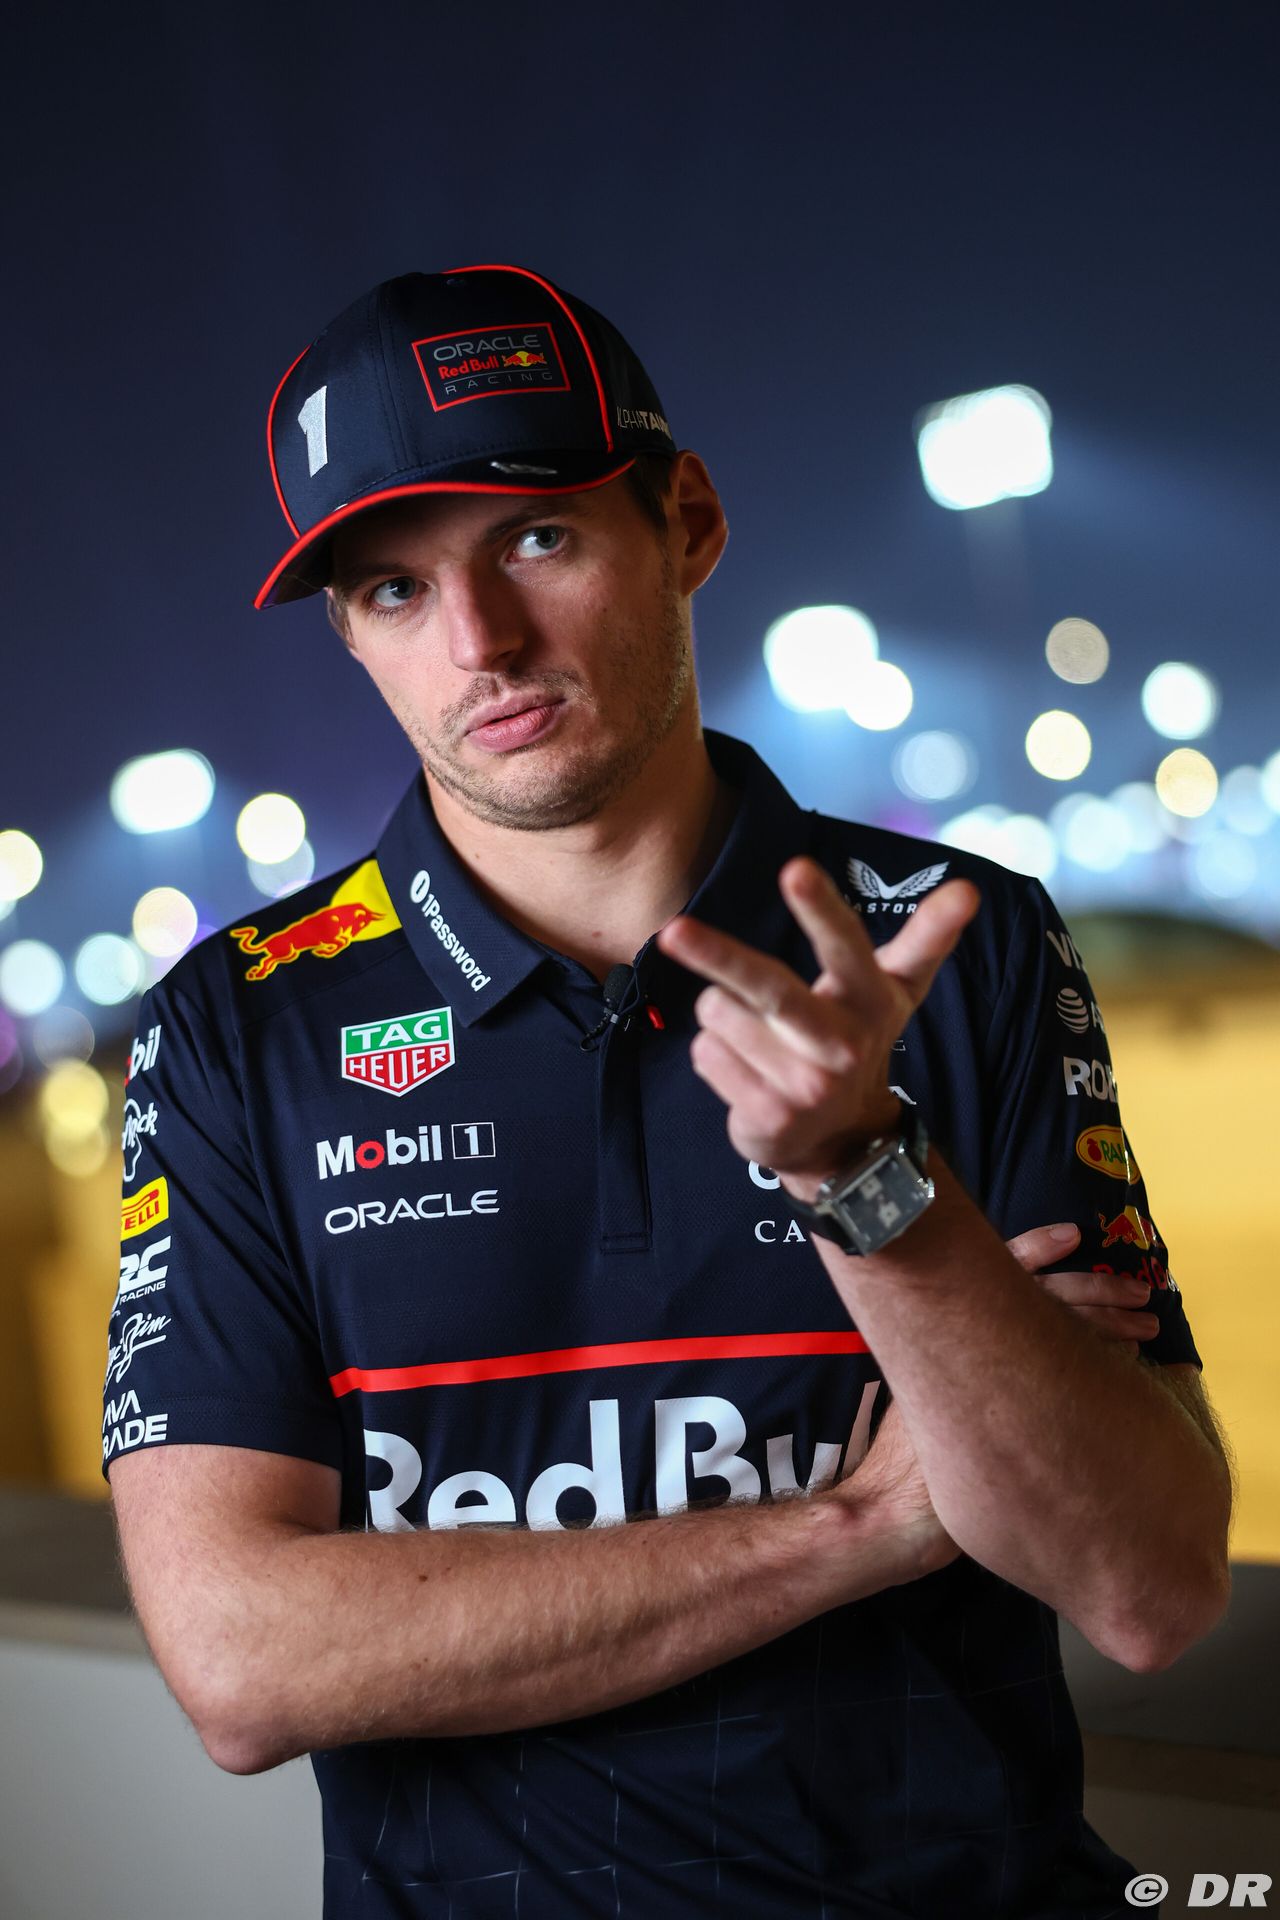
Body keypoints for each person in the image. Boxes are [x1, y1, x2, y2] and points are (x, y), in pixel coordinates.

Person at [104, 265, 1232, 1919]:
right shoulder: (235, 1024)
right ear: (349, 633)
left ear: (686, 523)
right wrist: (857, 1525)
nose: (481, 643)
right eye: (396, 589)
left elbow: (1148, 1588)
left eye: (537, 540)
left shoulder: (955, 939)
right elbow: (241, 1664)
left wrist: (872, 1181)